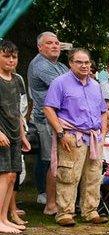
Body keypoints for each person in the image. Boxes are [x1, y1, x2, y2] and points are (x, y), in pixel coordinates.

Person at [44, 48, 109, 227]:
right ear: (71, 63)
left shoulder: (96, 85)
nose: (84, 65)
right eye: (79, 62)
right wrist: (60, 133)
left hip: (94, 137)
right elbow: (49, 109)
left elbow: (104, 112)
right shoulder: (60, 83)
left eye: (87, 62)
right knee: (68, 175)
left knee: (93, 175)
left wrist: (102, 134)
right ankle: (64, 213)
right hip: (71, 135)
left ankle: (90, 211)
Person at [27, 31, 68, 213]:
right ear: (40, 47)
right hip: (46, 119)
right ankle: (47, 200)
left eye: (57, 43)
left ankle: (61, 199)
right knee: (50, 160)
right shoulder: (40, 65)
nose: (54, 46)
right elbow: (66, 87)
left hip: (63, 118)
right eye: (49, 43)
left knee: (60, 160)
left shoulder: (59, 65)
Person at [0, 40, 29, 234]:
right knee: (3, 175)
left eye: (14, 56)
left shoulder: (18, 79)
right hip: (1, 132)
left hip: (14, 133)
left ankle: (4, 217)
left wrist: (22, 135)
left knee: (12, 176)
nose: (11, 60)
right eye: (6, 56)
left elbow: (18, 112)